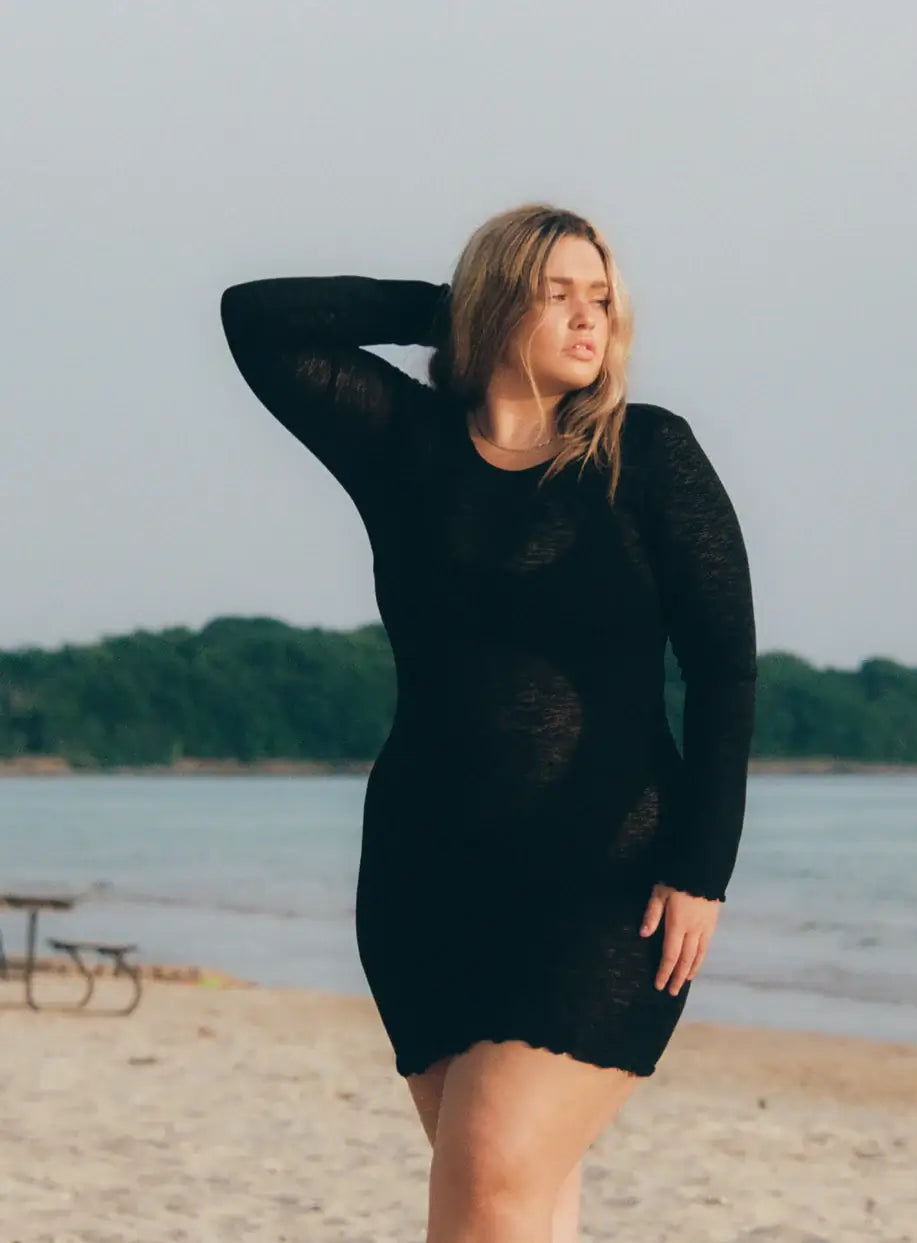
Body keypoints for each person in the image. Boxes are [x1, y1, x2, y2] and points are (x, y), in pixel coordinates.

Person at [219, 202, 757, 1243]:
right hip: (425, 878)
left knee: (492, 1179)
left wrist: (704, 867)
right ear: (497, 304)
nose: (589, 317)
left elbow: (724, 669)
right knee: (518, 1202)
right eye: (557, 294)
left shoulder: (648, 455)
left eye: (601, 297)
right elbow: (258, 317)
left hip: (607, 881)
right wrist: (449, 309)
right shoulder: (405, 446)